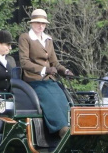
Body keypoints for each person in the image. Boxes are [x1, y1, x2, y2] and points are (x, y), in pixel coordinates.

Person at [18, 9, 74, 138]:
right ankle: (61, 129)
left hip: (49, 80)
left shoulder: (48, 39)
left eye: (43, 23)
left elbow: (54, 62)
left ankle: (70, 126)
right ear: (32, 23)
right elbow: (24, 62)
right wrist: (44, 70)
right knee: (49, 100)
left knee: (62, 97)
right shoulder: (25, 38)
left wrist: (64, 70)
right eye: (38, 23)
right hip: (33, 80)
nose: (40, 26)